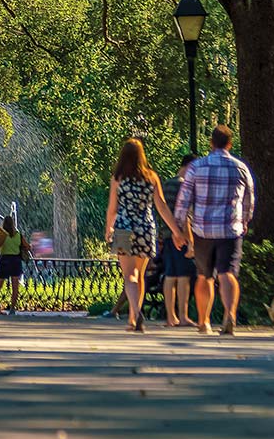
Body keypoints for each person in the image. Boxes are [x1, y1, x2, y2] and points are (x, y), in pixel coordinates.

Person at [174, 124, 257, 336]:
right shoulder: (240, 168)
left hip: (203, 230)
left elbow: (184, 200)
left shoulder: (197, 167)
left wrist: (179, 229)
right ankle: (230, 314)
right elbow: (249, 199)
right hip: (230, 229)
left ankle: (204, 321)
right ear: (230, 144)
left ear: (211, 143)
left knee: (204, 276)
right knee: (228, 273)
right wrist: (245, 220)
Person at [103, 138, 184, 333]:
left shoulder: (118, 177)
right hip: (146, 229)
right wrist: (177, 231)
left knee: (129, 275)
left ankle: (136, 313)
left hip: (123, 228)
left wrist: (109, 229)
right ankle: (133, 318)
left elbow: (112, 208)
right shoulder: (151, 177)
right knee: (140, 275)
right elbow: (162, 207)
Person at [160, 155, 198, 327]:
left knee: (170, 275)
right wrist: (189, 240)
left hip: (167, 234)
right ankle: (183, 316)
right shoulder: (184, 185)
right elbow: (186, 215)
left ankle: (170, 316)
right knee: (183, 276)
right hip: (181, 235)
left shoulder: (166, 184)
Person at [0, 214, 31, 315]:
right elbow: (27, 247)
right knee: (15, 287)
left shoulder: (2, 235)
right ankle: (12, 309)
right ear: (13, 224)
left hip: (4, 260)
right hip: (16, 261)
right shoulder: (18, 235)